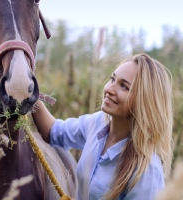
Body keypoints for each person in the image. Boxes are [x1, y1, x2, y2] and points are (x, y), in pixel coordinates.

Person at [32, 53, 173, 200]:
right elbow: (54, 132)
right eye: (112, 79)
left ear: (144, 101)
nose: (109, 89)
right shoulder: (98, 123)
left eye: (124, 86)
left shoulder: (147, 172)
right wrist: (30, 91)